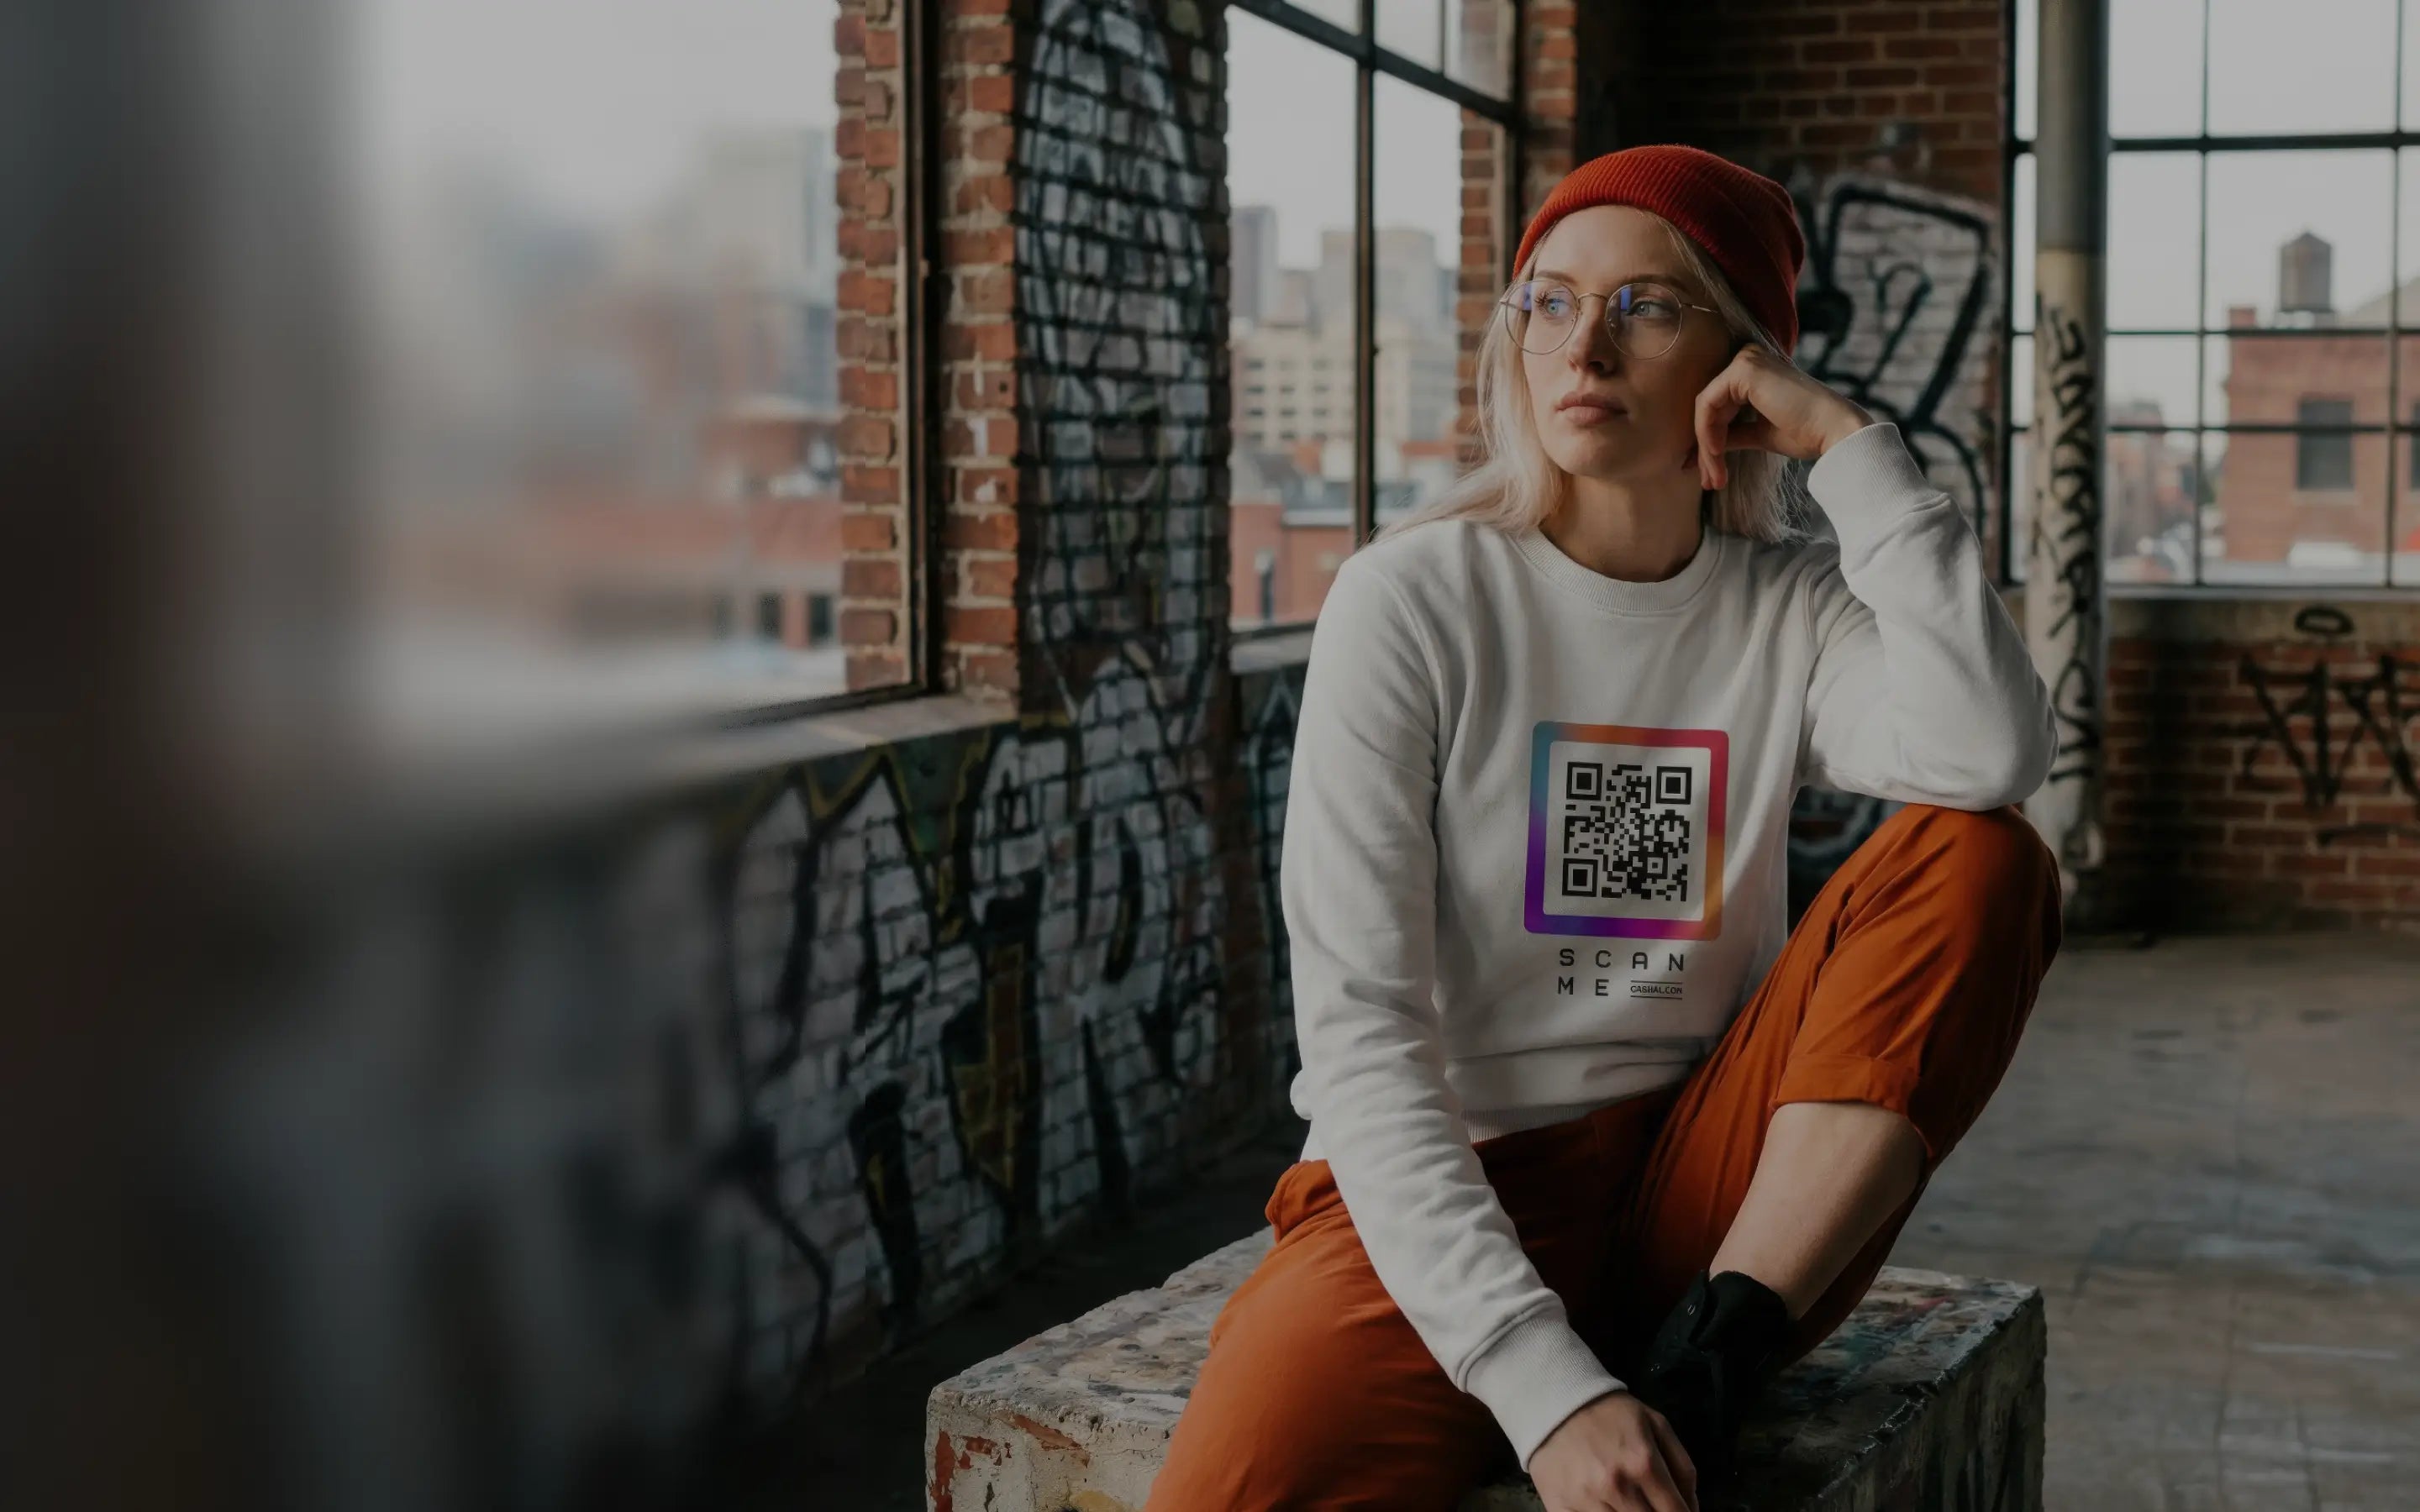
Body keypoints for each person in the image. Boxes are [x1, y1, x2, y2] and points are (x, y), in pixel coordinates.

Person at [1140, 145, 2065, 1512]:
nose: (1585, 344)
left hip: (1707, 1196)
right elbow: (1360, 1032)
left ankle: (1708, 1366)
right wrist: (1542, 1383)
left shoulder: (1793, 607)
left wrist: (1857, 455)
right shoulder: (1415, 599)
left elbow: (1990, 751)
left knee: (1987, 857)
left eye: (1647, 305)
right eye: (1550, 302)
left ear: (1738, 364)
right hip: (1453, 1189)